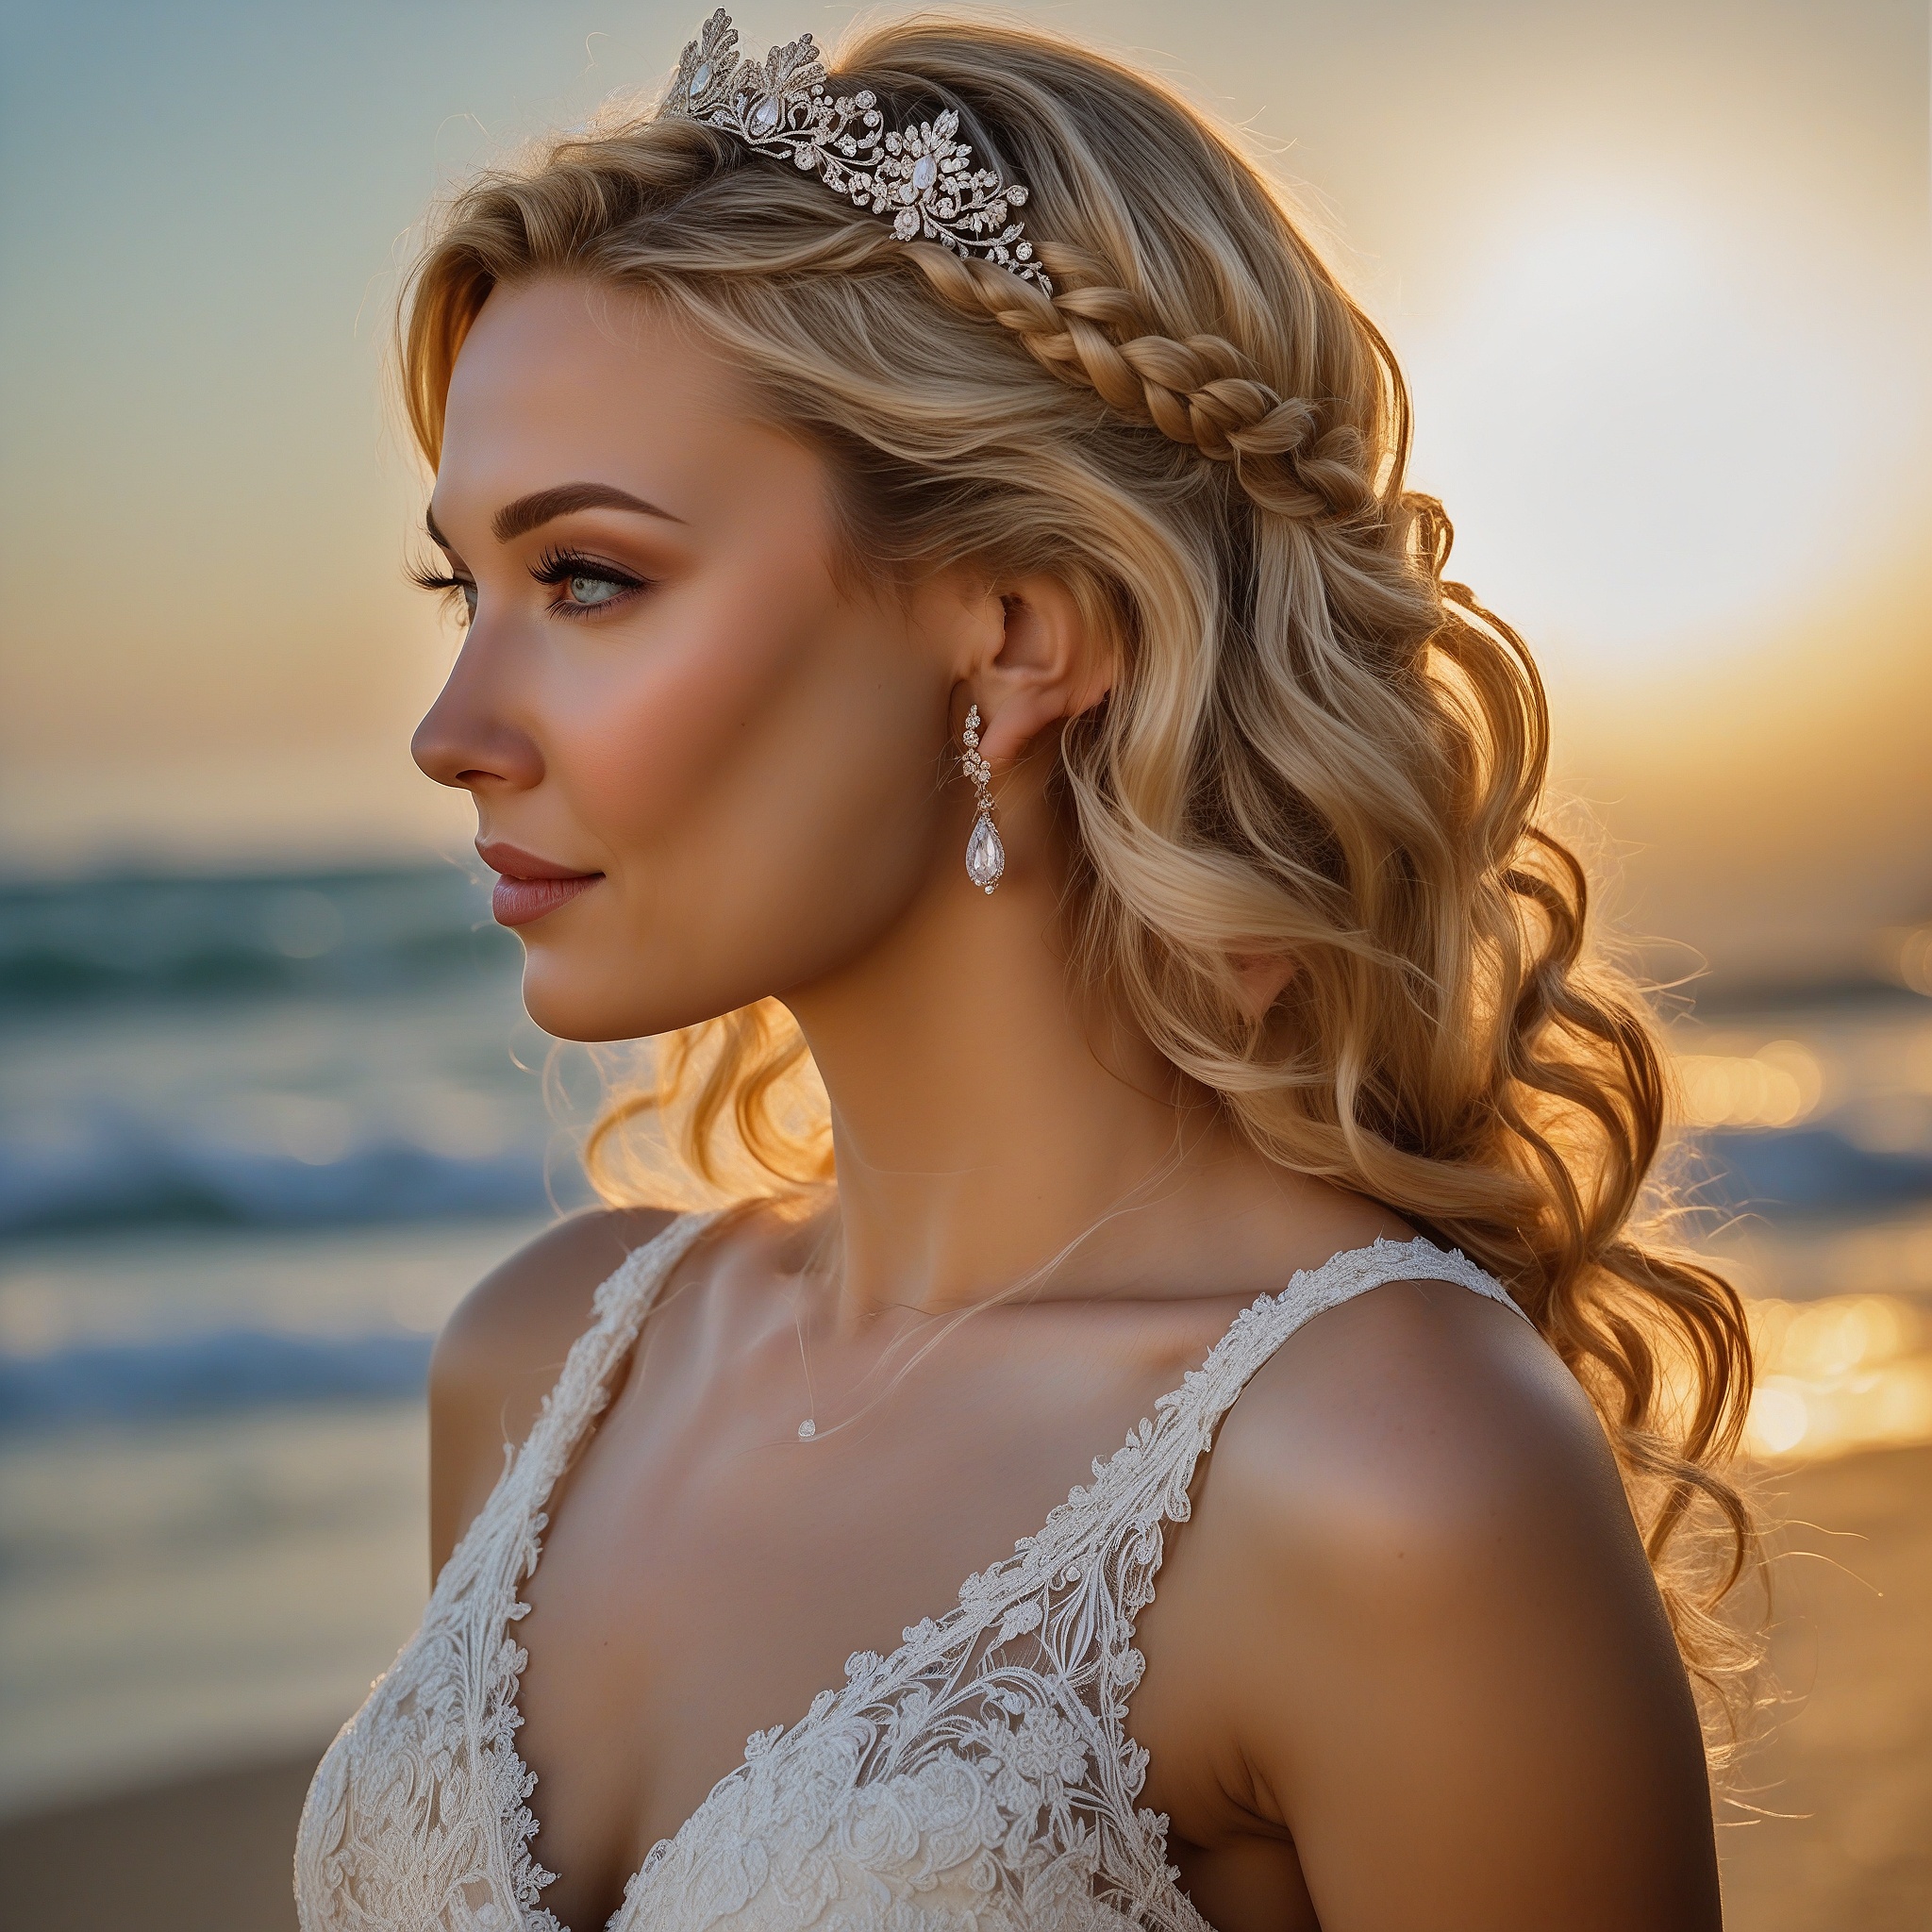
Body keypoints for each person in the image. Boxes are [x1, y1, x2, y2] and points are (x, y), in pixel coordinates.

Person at [295, 12, 1758, 1929]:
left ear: (1011, 633)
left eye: (585, 579)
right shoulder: (537, 1358)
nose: (453, 726)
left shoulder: (1383, 1471)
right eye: (459, 588)